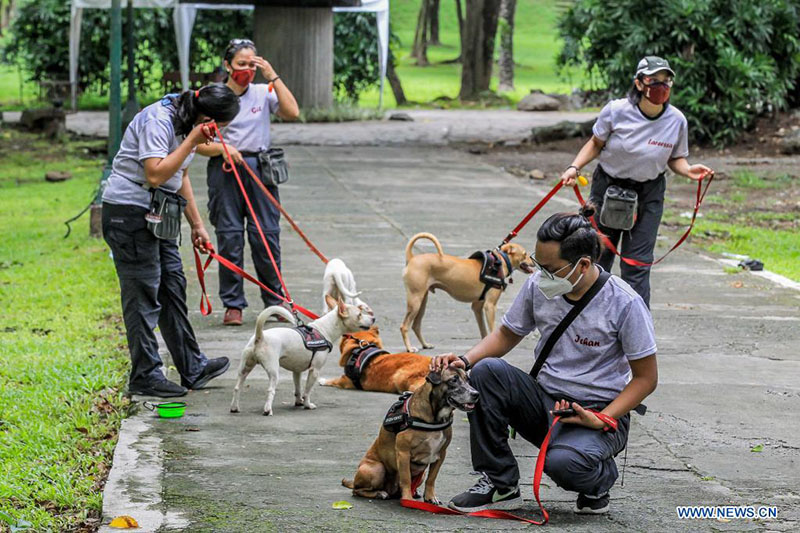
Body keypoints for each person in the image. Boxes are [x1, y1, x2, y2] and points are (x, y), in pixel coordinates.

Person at [431, 204, 658, 515]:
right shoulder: (539, 284)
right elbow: (507, 334)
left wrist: (604, 417)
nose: (541, 274)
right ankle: (500, 483)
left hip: (596, 413)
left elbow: (646, 379)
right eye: (539, 264)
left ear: (583, 264)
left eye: (551, 268)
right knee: (485, 372)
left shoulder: (624, 303)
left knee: (563, 465)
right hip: (544, 402)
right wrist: (463, 360)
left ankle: (599, 480)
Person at [102, 84, 240, 398]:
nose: (218, 136)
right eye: (219, 128)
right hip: (130, 214)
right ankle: (145, 375)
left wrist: (197, 226)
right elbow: (155, 173)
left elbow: (182, 176)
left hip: (161, 213)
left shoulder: (186, 123)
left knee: (173, 286)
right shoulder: (159, 121)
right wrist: (193, 139)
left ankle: (192, 366)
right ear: (208, 118)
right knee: (144, 295)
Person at [560, 56, 713, 307]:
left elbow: (676, 158)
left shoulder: (676, 120)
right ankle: (584, 318)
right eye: (654, 81)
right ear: (639, 83)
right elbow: (596, 143)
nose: (661, 87)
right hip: (607, 188)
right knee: (597, 258)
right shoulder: (617, 110)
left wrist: (688, 171)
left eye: (666, 81)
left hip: (648, 193)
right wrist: (574, 168)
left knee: (637, 263)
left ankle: (636, 327)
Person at [196, 38, 300, 326]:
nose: (247, 70)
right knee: (229, 237)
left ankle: (275, 300)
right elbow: (197, 143)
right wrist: (222, 149)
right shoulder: (213, 97)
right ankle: (233, 304)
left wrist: (272, 76)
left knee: (265, 235)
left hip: (260, 170)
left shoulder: (262, 92)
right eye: (241, 64)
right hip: (225, 170)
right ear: (227, 65)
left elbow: (293, 112)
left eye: (252, 64)